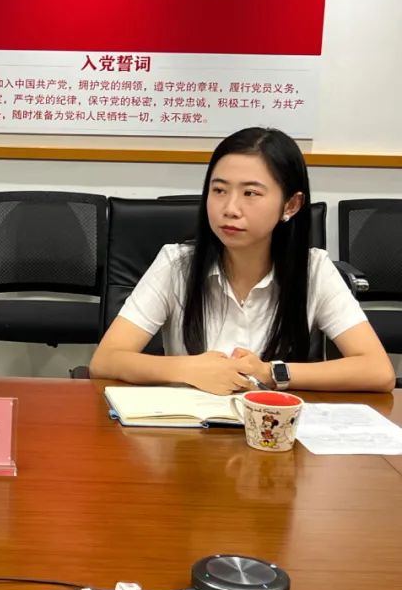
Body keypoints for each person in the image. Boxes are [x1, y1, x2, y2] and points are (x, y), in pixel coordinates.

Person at [90, 127, 395, 395]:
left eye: (250, 193)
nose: (230, 208)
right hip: (189, 429)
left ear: (291, 205)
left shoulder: (313, 269)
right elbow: (106, 360)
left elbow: (378, 371)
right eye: (219, 190)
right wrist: (188, 369)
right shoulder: (177, 264)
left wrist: (271, 373)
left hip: (274, 430)